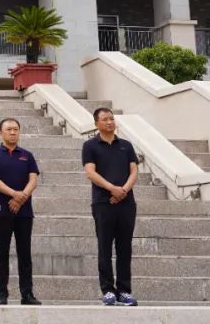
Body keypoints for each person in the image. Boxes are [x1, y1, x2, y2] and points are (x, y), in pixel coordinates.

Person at [82, 107, 139, 307]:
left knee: (125, 248)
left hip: (127, 203)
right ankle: (107, 290)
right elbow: (90, 172)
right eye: (105, 119)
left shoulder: (126, 145)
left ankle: (124, 290)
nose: (109, 122)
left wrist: (123, 190)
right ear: (96, 123)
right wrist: (111, 189)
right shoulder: (90, 146)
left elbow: (134, 171)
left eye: (111, 119)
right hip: (102, 203)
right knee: (104, 247)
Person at [0, 117, 41, 306]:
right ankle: (1, 293)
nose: (13, 132)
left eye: (16, 129)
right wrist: (14, 195)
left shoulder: (27, 155)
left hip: (24, 210)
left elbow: (33, 179)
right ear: (1, 132)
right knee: (2, 251)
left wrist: (22, 196)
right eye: (9, 129)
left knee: (25, 252)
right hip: (2, 208)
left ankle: (27, 294)